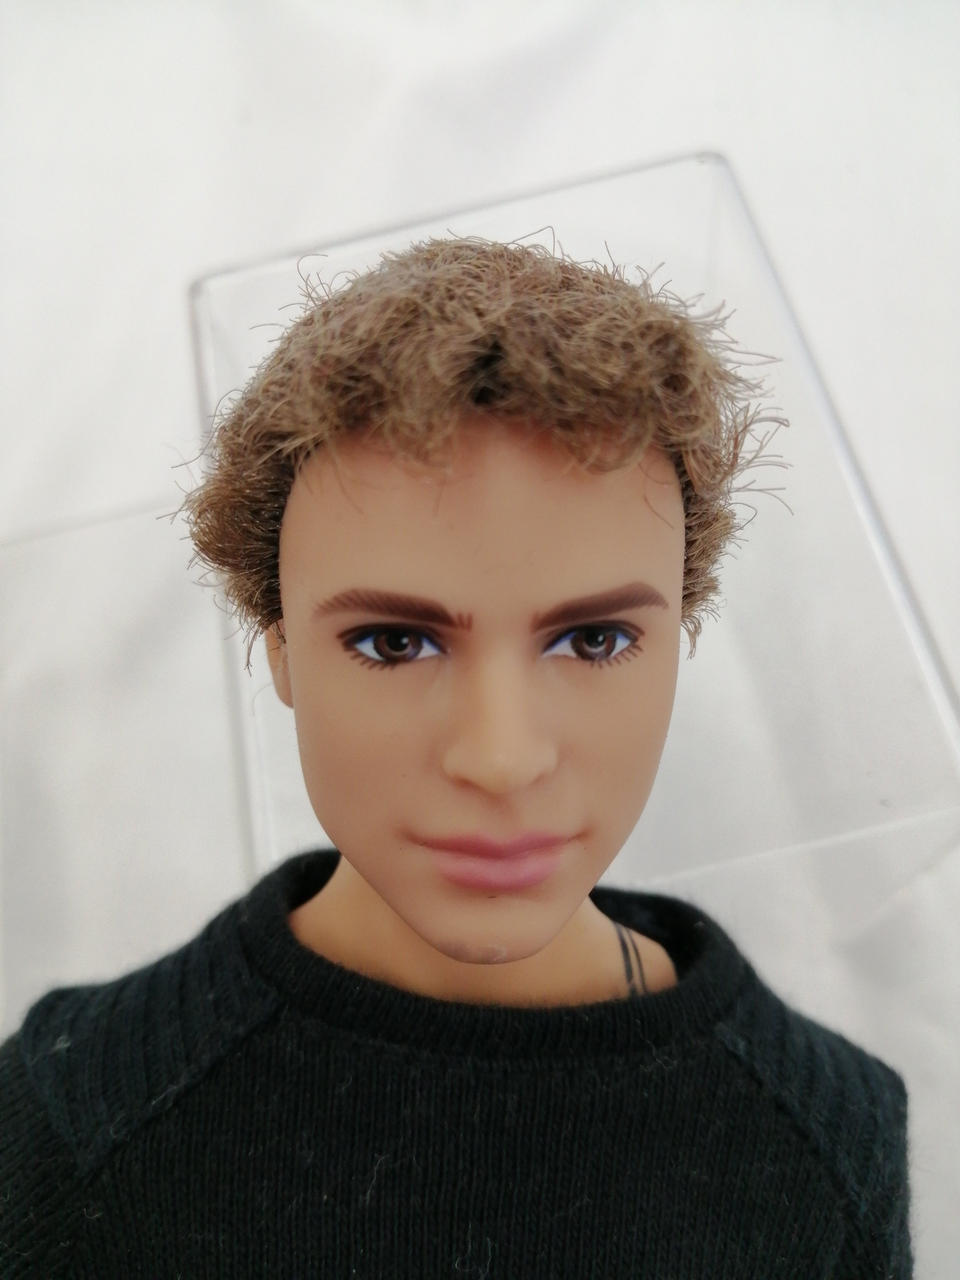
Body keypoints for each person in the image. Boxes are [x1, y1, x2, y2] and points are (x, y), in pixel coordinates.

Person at [0, 237, 912, 1276]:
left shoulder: (824, 1144)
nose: (501, 757)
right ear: (280, 650)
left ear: (683, 637)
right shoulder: (80, 1122)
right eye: (395, 642)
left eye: (594, 639)